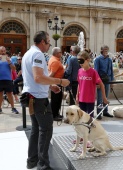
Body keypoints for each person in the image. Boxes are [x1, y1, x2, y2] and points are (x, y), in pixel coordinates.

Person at [22, 31, 70, 170]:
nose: (49, 45)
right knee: (46, 130)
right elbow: (38, 77)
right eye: (48, 42)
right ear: (42, 41)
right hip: (38, 99)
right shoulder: (37, 54)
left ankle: (32, 161)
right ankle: (43, 165)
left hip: (31, 96)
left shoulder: (28, 53)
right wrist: (60, 81)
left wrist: (50, 85)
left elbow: (34, 78)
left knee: (36, 130)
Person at [76, 51, 109, 118]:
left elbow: (101, 85)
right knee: (82, 117)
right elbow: (79, 84)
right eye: (79, 61)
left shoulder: (93, 72)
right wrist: (77, 96)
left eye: (82, 61)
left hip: (90, 99)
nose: (80, 63)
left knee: (89, 118)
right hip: (81, 99)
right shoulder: (79, 71)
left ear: (87, 60)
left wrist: (104, 98)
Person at [94, 45, 114, 120]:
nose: (106, 51)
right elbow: (95, 71)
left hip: (107, 80)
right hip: (100, 80)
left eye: (107, 49)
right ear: (101, 50)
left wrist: (112, 81)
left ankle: (105, 111)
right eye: (105, 49)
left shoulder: (109, 60)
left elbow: (111, 71)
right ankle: (99, 113)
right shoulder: (97, 59)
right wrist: (96, 82)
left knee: (106, 96)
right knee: (100, 98)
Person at [0, 46, 19, 114]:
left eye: (4, 51)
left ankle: (13, 108)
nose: (3, 52)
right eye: (1, 51)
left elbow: (14, 69)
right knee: (0, 94)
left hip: (8, 79)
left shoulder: (9, 60)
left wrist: (9, 62)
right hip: (0, 79)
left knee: (10, 94)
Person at [48, 47, 64, 121]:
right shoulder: (55, 61)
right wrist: (47, 82)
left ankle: (56, 113)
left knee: (57, 99)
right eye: (60, 52)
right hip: (56, 82)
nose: (61, 53)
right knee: (56, 100)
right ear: (57, 53)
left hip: (56, 82)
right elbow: (52, 73)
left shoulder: (53, 59)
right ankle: (54, 115)